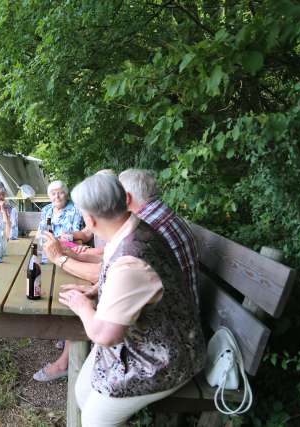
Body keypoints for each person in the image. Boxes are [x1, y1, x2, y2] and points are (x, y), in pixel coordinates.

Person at [59, 174, 205, 426]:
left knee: (94, 420)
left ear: (90, 219)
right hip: (148, 339)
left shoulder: (131, 259)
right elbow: (131, 284)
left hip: (166, 357)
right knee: (83, 393)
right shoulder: (135, 226)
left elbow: (106, 335)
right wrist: (96, 290)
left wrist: (82, 307)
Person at [119, 168, 200, 306]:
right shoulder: (162, 212)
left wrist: (68, 259)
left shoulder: (145, 226)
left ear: (127, 198)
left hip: (174, 315)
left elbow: (117, 277)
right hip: (184, 305)